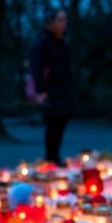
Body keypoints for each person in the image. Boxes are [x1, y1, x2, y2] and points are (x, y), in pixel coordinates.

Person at [30, 9, 73, 165]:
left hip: (63, 90)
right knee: (53, 125)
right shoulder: (42, 43)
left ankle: (55, 156)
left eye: (64, 20)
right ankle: (51, 158)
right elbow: (37, 67)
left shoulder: (61, 42)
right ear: (51, 22)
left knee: (61, 123)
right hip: (50, 91)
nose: (64, 23)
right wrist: (41, 91)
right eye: (60, 20)